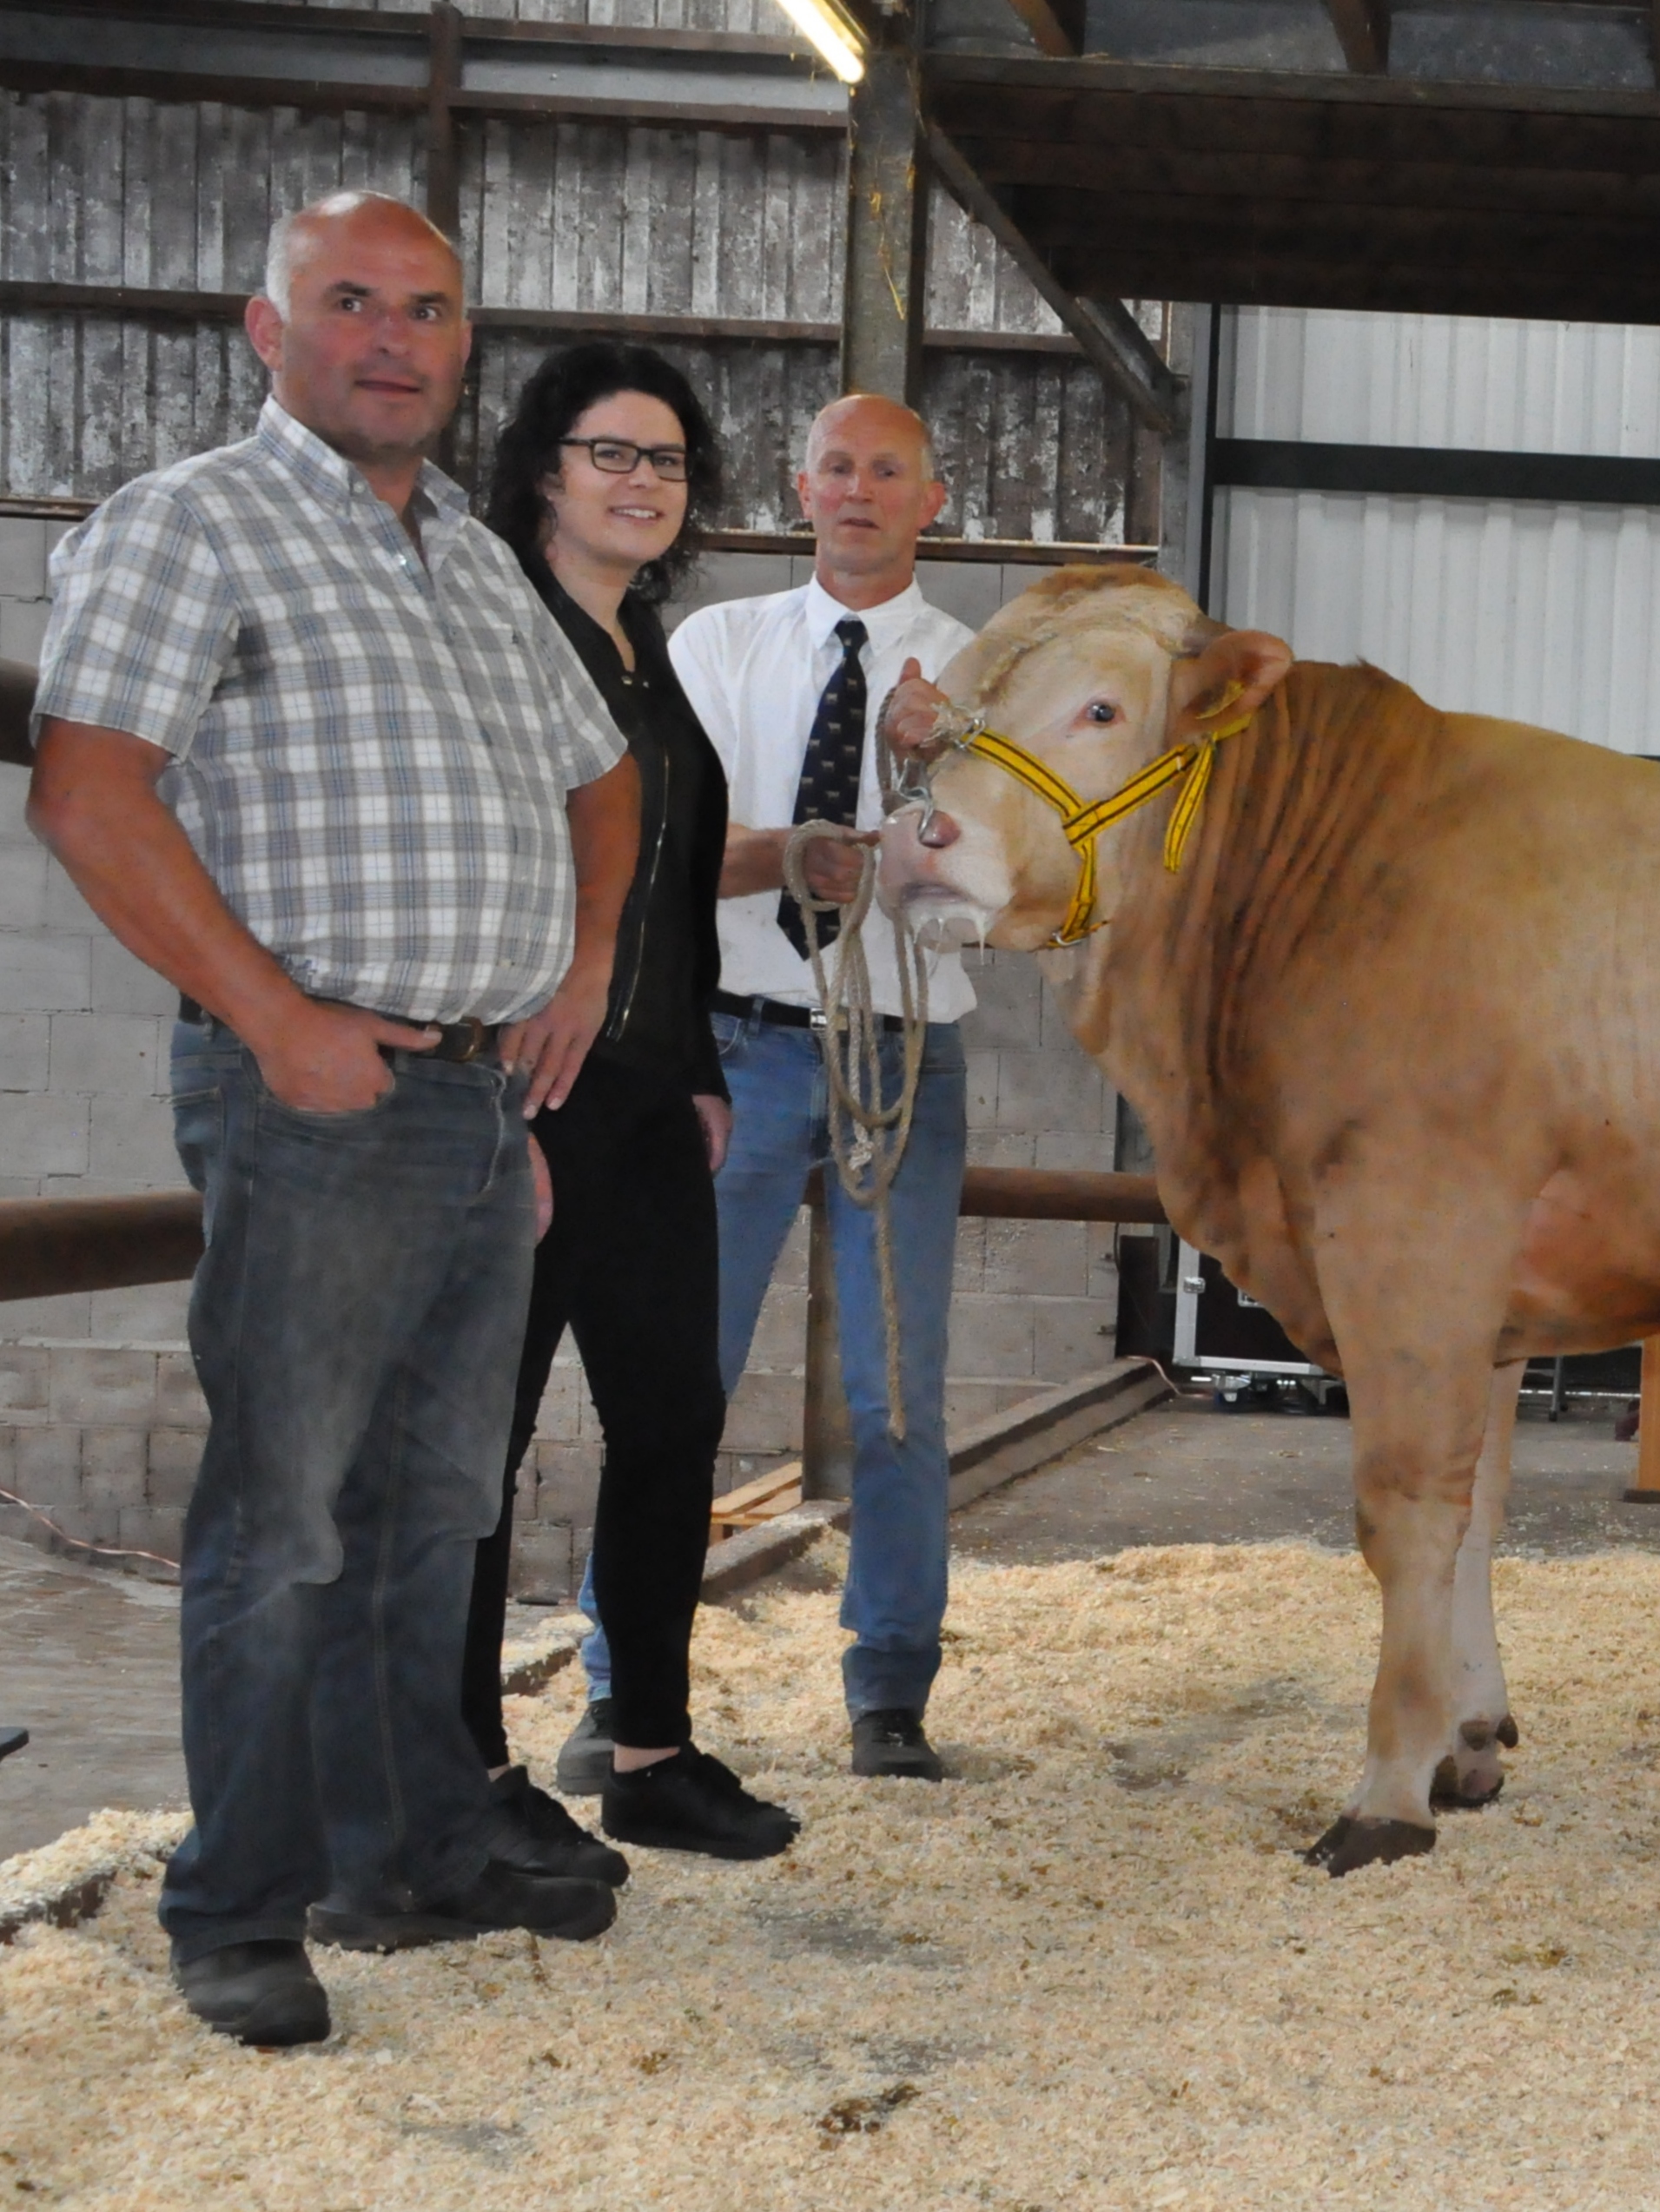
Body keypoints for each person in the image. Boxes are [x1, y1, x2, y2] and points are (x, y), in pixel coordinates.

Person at [26, 190, 638, 2047]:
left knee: (437, 1504)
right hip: (316, 1089)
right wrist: (270, 1015)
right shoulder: (192, 520)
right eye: (350, 301)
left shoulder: (458, 544)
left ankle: (406, 1848)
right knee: (284, 1517)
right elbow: (85, 791)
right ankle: (236, 1898)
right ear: (264, 326)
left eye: (427, 308)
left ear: (464, 346)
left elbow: (602, 775)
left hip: (467, 1094)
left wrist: (585, 962)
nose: (393, 337)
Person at [555, 393, 977, 1788]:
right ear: (803, 489)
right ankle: (621, 1691)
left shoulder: (980, 682)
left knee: (895, 1391)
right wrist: (798, 850)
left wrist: (926, 785)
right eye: (838, 466)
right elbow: (662, 845)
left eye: (889, 472)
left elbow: (987, 906)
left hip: (896, 1051)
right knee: (674, 1376)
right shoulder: (710, 648)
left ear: (933, 499)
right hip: (732, 1043)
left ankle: (891, 1696)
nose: (859, 491)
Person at [466, 342, 797, 1871]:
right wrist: (494, 1103)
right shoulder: (491, 627)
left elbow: (662, 892)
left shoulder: (638, 649)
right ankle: (463, 1767)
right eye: (613, 454)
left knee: (673, 1415)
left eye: (665, 462)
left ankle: (648, 1747)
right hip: (524, 1093)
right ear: (544, 469)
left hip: (653, 1097)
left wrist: (705, 1065)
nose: (642, 482)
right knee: (488, 1433)